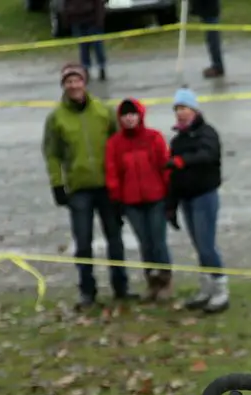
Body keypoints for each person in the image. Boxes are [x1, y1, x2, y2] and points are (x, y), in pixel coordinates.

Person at [43, 64, 135, 310]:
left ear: (85, 82)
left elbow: (121, 144)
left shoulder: (104, 111)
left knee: (115, 238)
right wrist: (57, 184)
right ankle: (87, 290)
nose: (73, 86)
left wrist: (125, 180)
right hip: (78, 189)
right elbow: (51, 154)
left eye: (77, 80)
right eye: (68, 82)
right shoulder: (56, 118)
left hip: (108, 186)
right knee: (83, 242)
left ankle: (121, 287)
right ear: (63, 86)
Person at [166, 88, 228, 314]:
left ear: (194, 110)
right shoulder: (177, 141)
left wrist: (184, 161)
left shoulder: (207, 133)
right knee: (198, 246)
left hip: (205, 196)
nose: (181, 113)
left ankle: (221, 289)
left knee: (207, 245)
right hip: (187, 199)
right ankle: (206, 288)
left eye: (184, 108)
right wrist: (170, 205)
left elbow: (208, 155)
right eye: (177, 110)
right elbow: (173, 175)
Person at [106, 98, 175, 302]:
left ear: (140, 115)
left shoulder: (154, 138)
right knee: (144, 242)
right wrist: (116, 199)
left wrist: (170, 195)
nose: (129, 119)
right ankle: (151, 281)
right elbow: (112, 173)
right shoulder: (115, 144)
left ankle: (165, 280)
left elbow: (165, 165)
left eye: (133, 114)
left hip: (156, 199)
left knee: (158, 241)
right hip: (131, 202)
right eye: (125, 115)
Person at [64, 0, 108, 82]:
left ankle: (102, 68)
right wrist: (67, 20)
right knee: (83, 48)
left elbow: (99, 3)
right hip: (77, 21)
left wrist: (99, 20)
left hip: (92, 20)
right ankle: (85, 69)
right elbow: (66, 4)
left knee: (98, 46)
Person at [190, 0, 225, 78]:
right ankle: (216, 65)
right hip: (205, 9)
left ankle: (217, 66)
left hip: (209, 9)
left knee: (212, 37)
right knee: (210, 38)